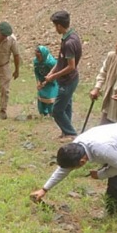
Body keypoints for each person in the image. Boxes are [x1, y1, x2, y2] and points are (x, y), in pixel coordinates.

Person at [30, 121, 117, 214]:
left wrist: (101, 174)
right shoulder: (76, 146)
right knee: (116, 168)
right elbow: (63, 169)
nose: (70, 170)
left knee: (116, 177)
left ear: (82, 161)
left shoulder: (102, 150)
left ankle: (113, 214)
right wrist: (44, 189)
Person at [43, 11, 83, 140]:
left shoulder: (69, 43)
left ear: (59, 26)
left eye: (55, 26)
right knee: (66, 106)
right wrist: (51, 73)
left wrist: (54, 77)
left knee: (57, 110)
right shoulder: (70, 37)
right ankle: (66, 132)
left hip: (68, 80)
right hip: (67, 79)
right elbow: (61, 61)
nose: (55, 29)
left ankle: (71, 133)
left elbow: (71, 66)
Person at [33, 46, 58, 116]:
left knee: (50, 97)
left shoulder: (51, 62)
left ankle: (52, 112)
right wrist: (38, 81)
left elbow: (55, 71)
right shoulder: (36, 61)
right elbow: (36, 71)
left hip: (52, 81)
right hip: (42, 80)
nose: (38, 59)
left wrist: (47, 81)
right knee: (41, 96)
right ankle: (43, 112)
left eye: (39, 56)